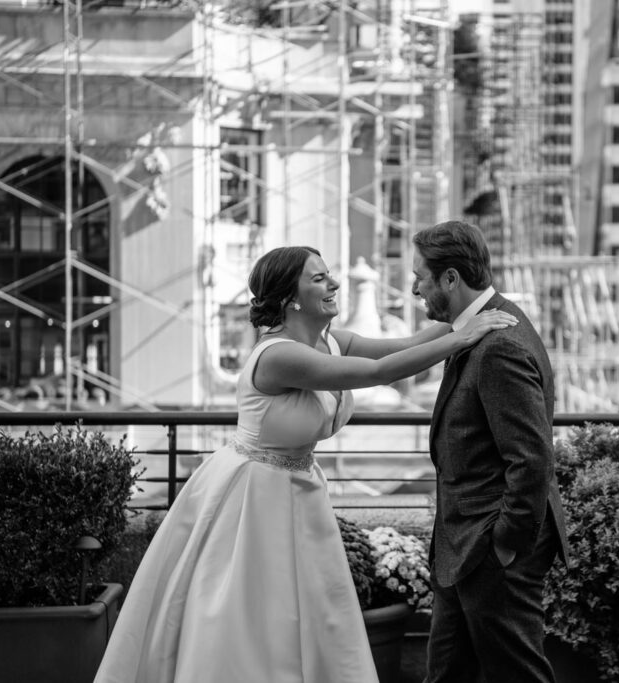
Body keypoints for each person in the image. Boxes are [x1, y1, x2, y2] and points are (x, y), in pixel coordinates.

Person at [94, 245, 516, 683]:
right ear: (289, 297)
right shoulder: (278, 355)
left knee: (313, 614)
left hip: (300, 490)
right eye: (319, 278)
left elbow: (406, 344)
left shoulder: (331, 340)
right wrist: (461, 338)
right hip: (252, 495)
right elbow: (380, 373)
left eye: (329, 275)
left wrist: (474, 312)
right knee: (251, 614)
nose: (333, 284)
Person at [411, 221, 569, 683]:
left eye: (421, 276)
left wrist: (504, 545)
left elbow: (531, 458)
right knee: (446, 675)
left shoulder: (499, 343)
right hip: (462, 548)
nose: (415, 286)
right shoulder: (480, 328)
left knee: (518, 675)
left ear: (451, 278)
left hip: (490, 552)